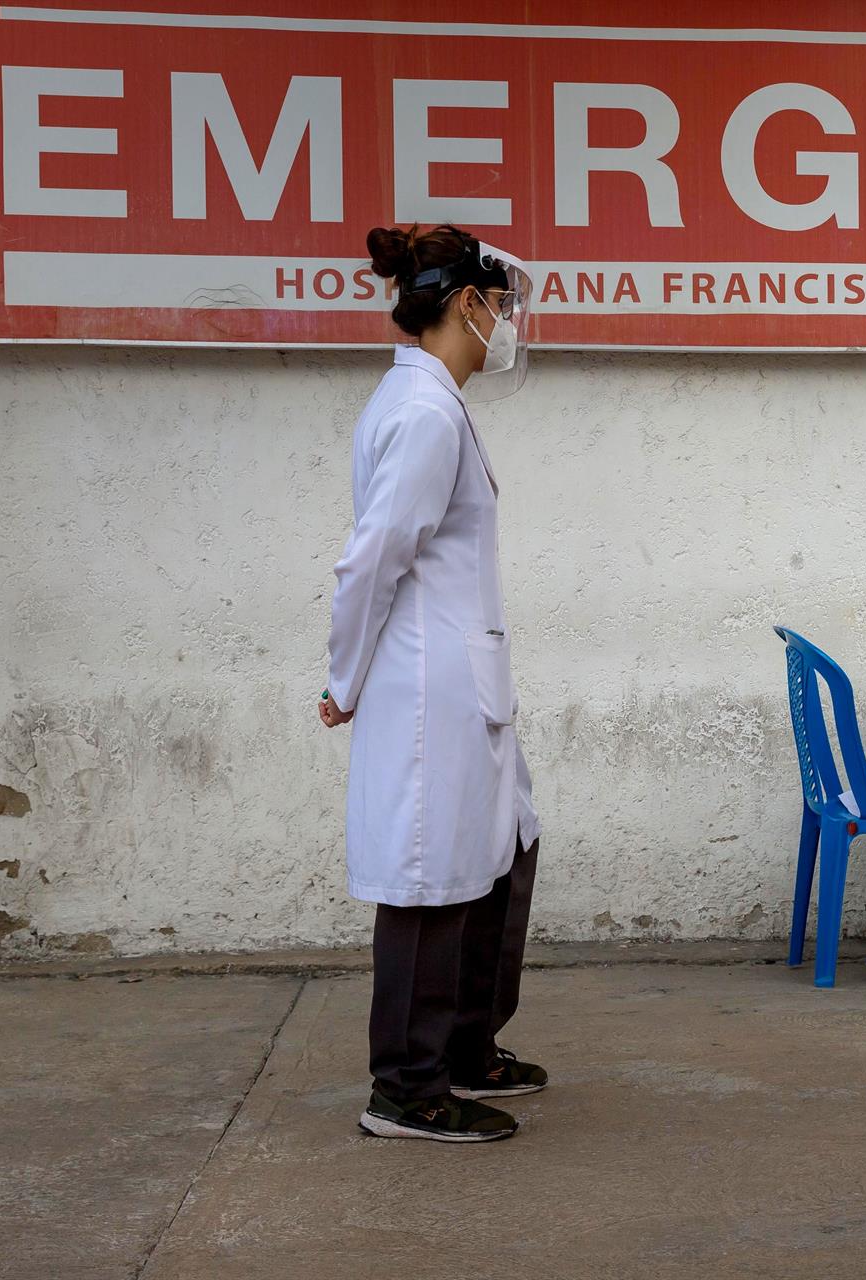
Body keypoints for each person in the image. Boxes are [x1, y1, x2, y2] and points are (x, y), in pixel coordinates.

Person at [318, 223, 547, 1143]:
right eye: (500, 306)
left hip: (464, 683)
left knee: (500, 856)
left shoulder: (436, 402)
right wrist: (345, 676)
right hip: (426, 691)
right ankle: (406, 1090)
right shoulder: (420, 411)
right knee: (427, 884)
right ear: (467, 305)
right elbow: (372, 559)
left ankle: (462, 1047)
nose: (508, 324)